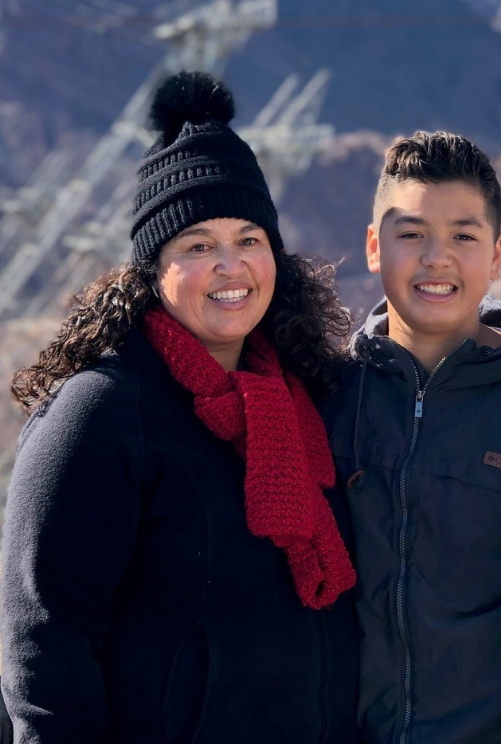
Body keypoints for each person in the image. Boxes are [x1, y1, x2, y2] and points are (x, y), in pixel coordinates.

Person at [0, 72, 359, 744]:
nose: (232, 266)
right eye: (198, 246)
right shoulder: (100, 413)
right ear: (151, 269)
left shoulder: (298, 398)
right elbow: (43, 650)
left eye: (249, 239)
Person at [321, 130, 501, 744]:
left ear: (496, 254)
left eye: (464, 236)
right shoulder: (328, 393)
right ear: (374, 246)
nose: (436, 257)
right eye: (412, 233)